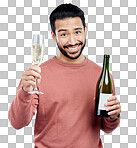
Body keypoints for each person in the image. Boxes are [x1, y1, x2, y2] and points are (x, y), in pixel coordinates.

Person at [9, 3, 121, 148]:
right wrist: (24, 92)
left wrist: (113, 116)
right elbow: (17, 123)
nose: (72, 41)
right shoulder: (37, 74)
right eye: (63, 34)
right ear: (54, 36)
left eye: (77, 32)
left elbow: (107, 128)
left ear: (85, 31)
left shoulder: (101, 75)